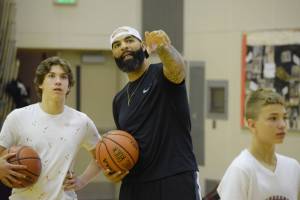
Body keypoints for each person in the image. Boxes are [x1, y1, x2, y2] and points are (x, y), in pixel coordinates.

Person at [104, 26, 201, 200]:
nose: (123, 46)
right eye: (117, 45)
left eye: (129, 40)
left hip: (173, 178)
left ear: (142, 46)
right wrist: (114, 168)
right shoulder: (118, 100)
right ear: (114, 56)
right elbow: (124, 145)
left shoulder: (161, 74)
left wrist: (164, 49)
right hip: (134, 184)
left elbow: (177, 69)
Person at [0, 56, 101, 199]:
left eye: (63, 77)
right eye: (51, 76)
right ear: (41, 83)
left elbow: (101, 157)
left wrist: (82, 181)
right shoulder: (18, 117)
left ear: (69, 86)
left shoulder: (81, 121)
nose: (58, 81)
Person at [217, 88, 300, 200]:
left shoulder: (293, 167)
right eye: (273, 118)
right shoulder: (241, 170)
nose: (282, 124)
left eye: (284, 117)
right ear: (252, 125)